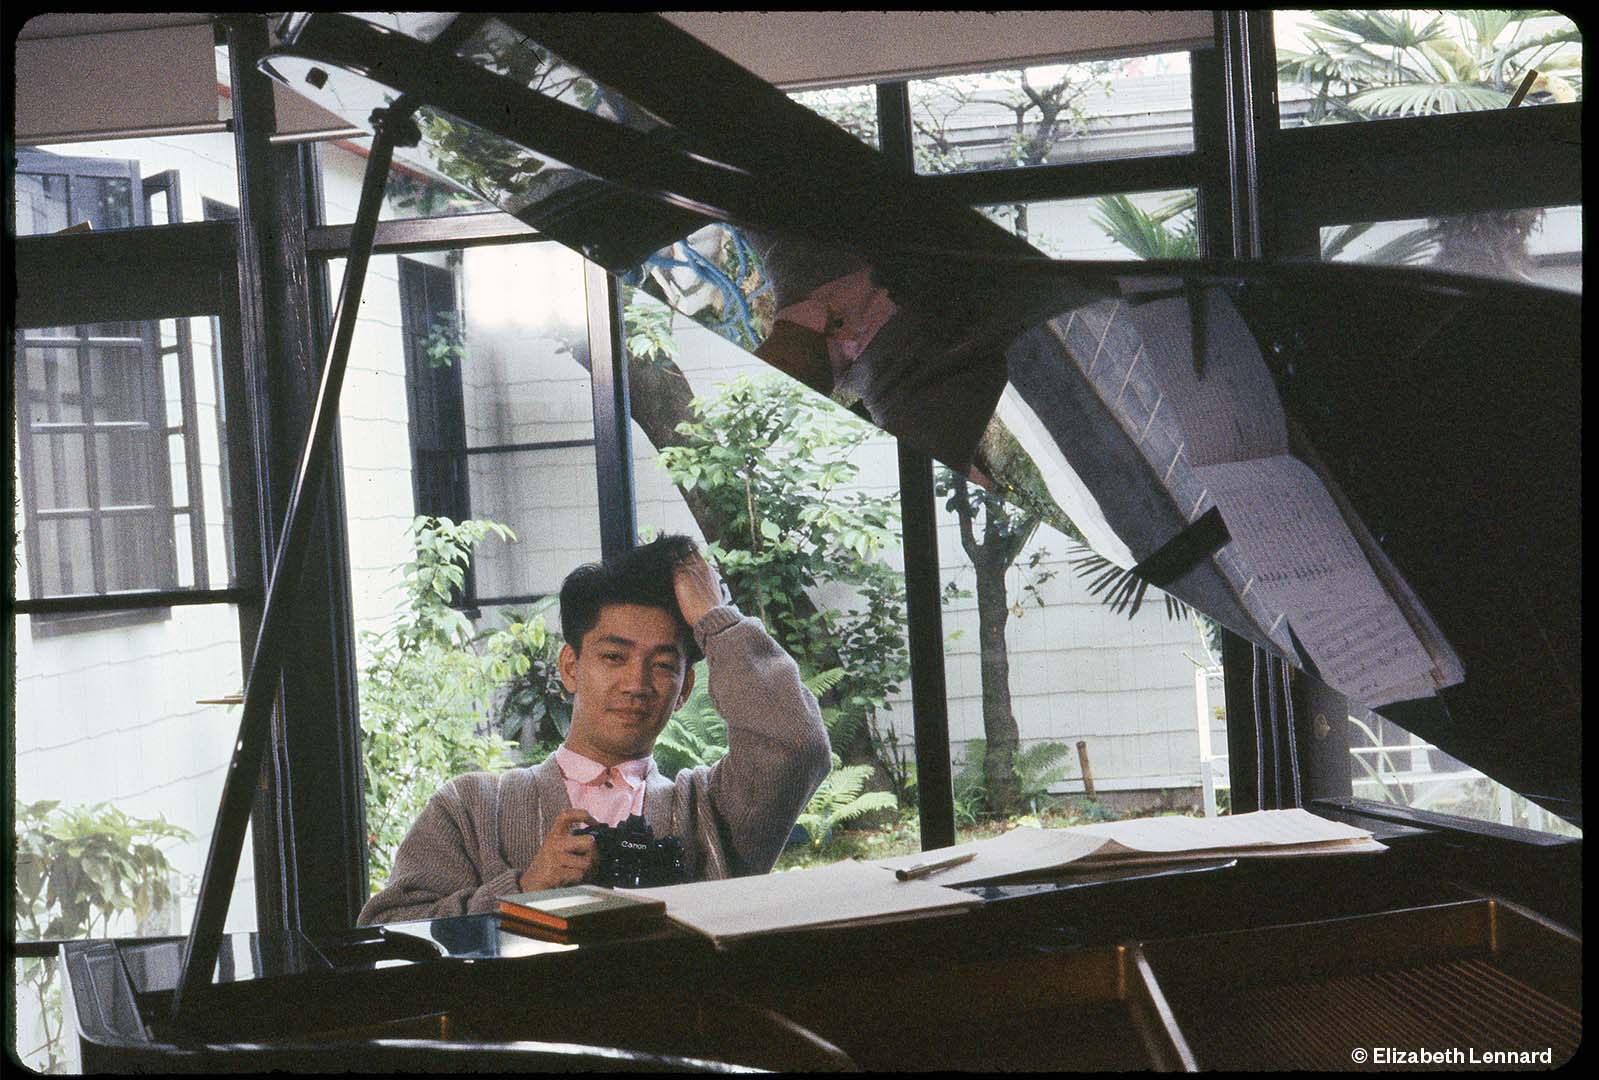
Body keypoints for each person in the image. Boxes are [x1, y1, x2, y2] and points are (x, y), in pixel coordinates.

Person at [358, 535, 832, 924]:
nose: (636, 684)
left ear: (685, 689)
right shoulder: (470, 808)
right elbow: (388, 932)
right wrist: (524, 888)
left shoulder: (711, 809)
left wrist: (716, 619)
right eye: (613, 656)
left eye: (662, 665)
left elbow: (798, 746)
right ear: (570, 666)